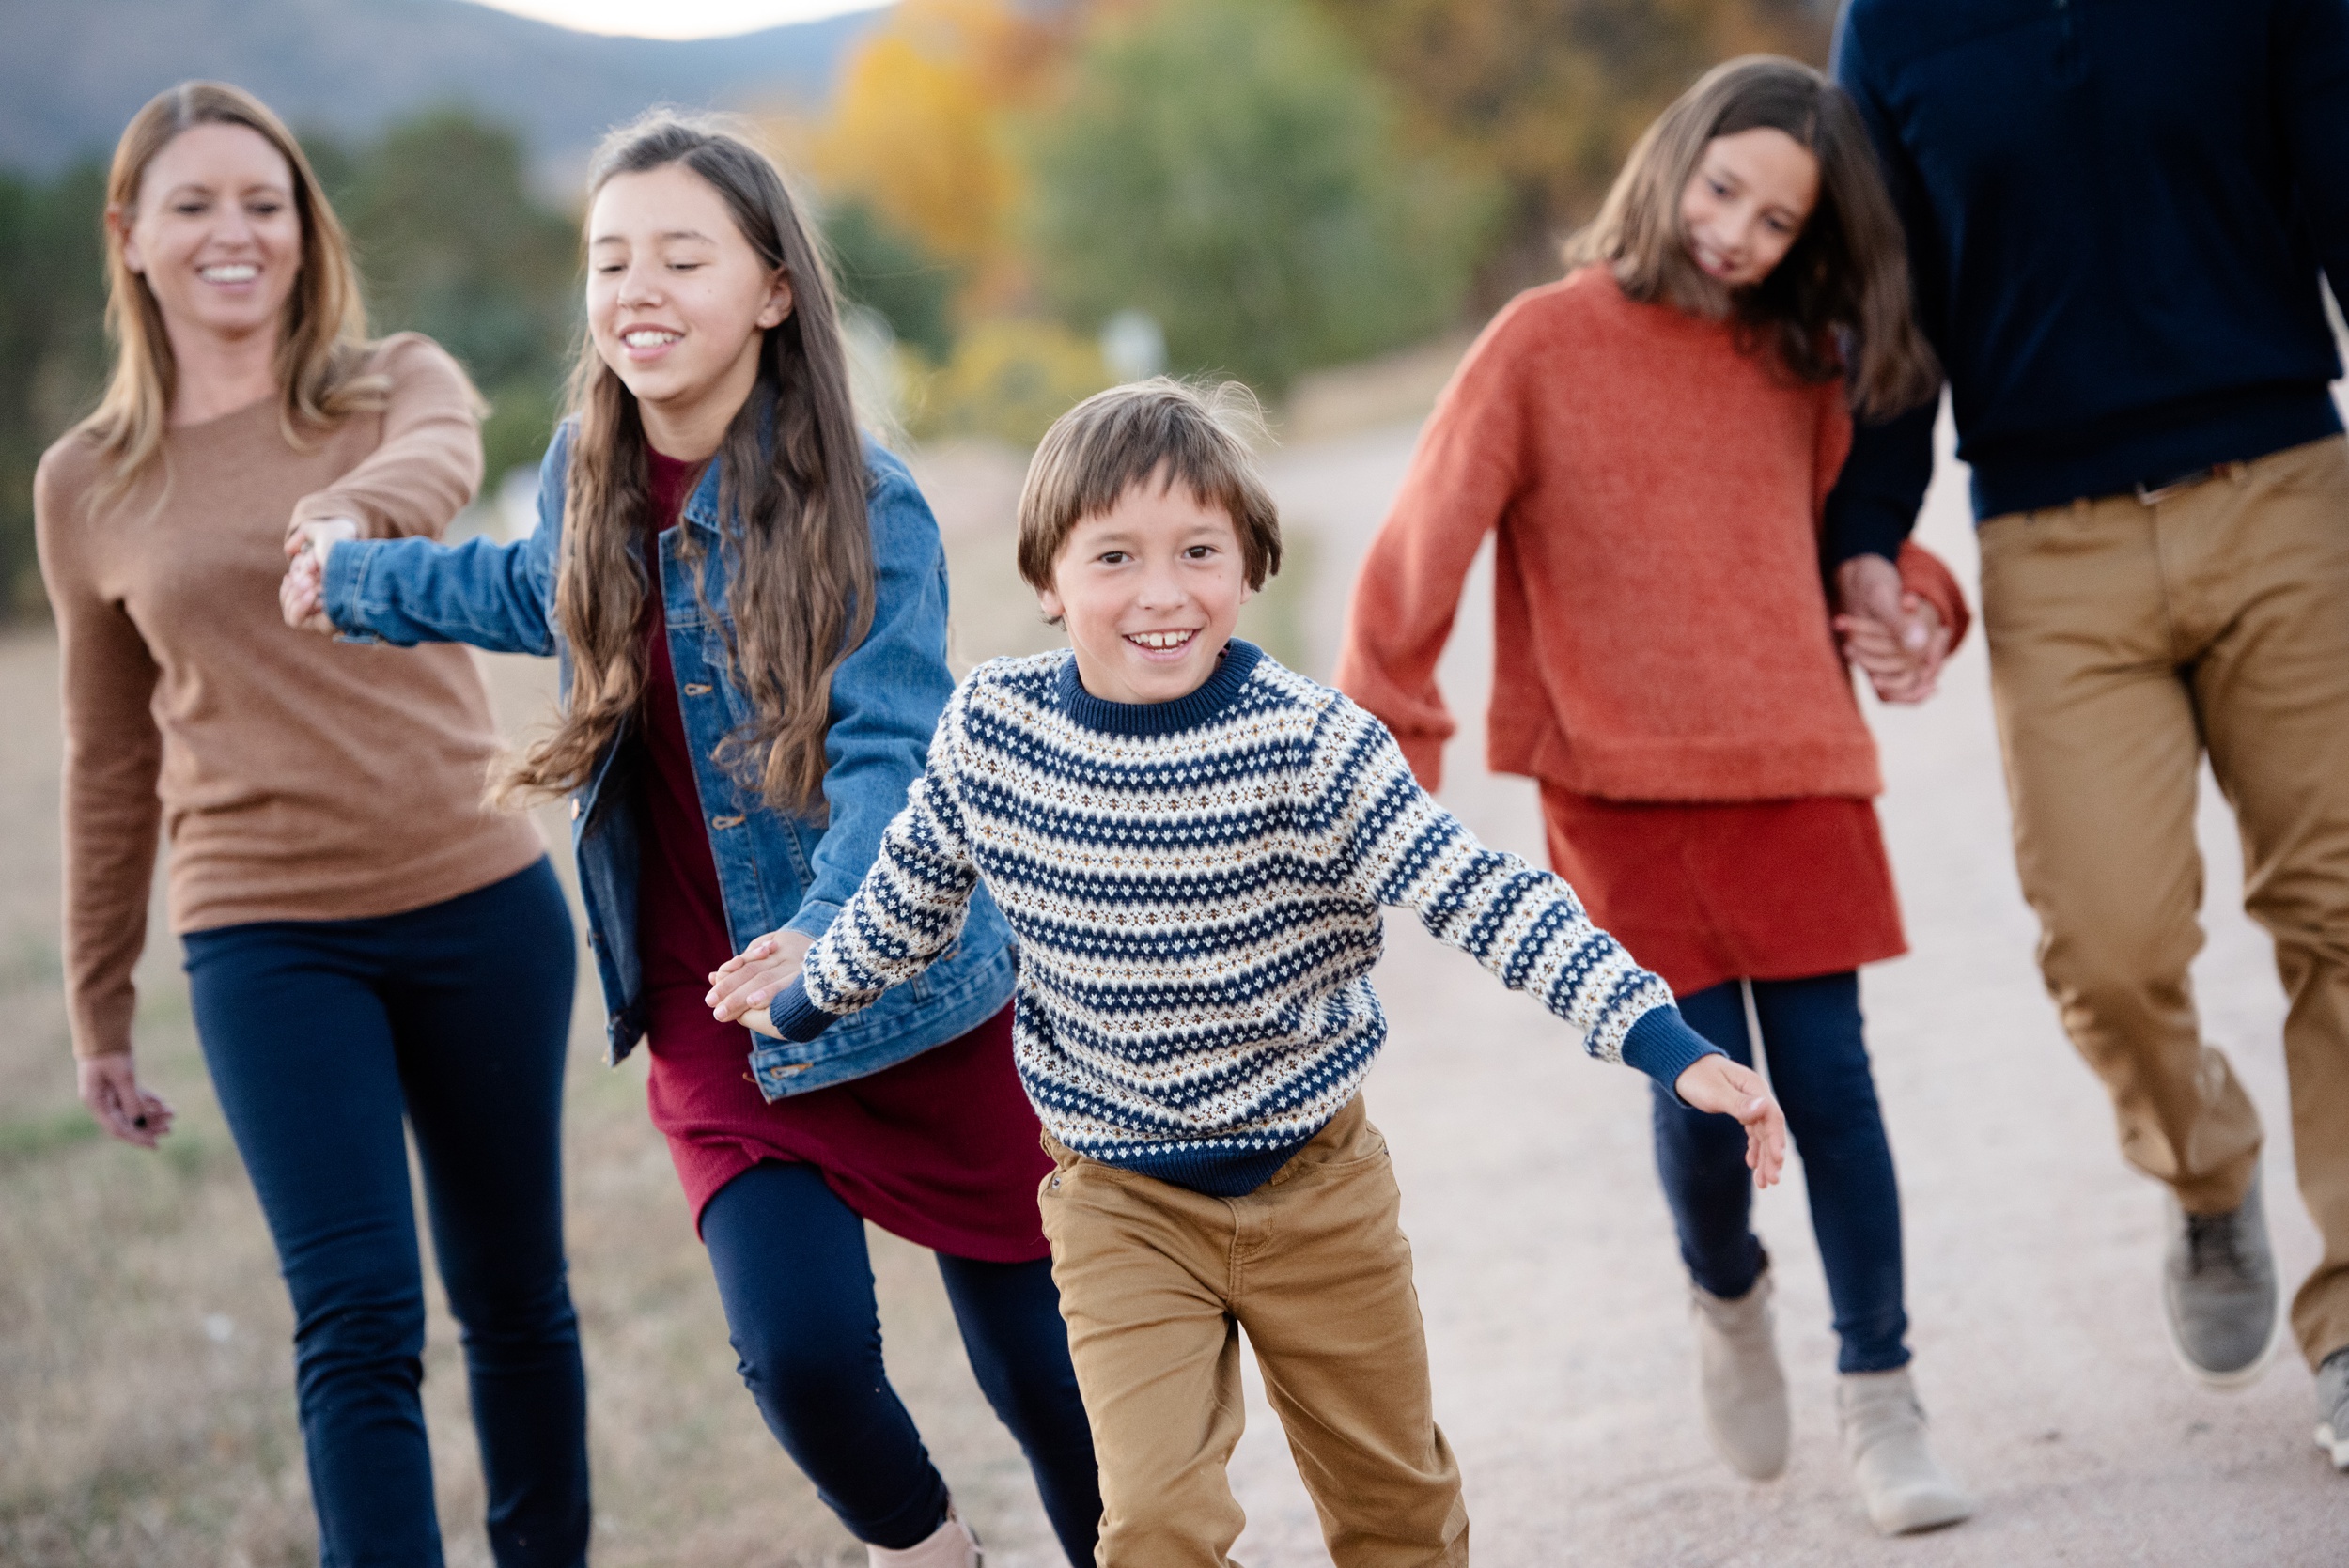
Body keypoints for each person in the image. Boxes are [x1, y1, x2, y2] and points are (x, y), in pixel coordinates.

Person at [717, 376, 1790, 1566]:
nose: (1161, 592)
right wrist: (807, 997)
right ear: (1046, 580)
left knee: (1395, 1514)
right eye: (1114, 555)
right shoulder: (994, 732)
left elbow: (1489, 896)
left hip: (1315, 1185)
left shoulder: (1312, 749)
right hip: (1120, 1199)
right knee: (1156, 1527)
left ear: (1249, 565)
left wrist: (1665, 1043)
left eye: (1198, 550)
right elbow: (910, 894)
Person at [280, 114, 1099, 1568]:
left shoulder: (874, 502)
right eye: (609, 259)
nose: (635, 287)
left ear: (774, 288)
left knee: (1052, 1374)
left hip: (910, 987)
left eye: (680, 255)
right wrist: (360, 580)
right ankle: (936, 1553)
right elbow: (523, 587)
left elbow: (888, 755)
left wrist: (833, 941)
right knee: (801, 1359)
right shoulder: (586, 471)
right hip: (710, 1014)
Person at [1331, 56, 1972, 1536]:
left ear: (1813, 236)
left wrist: (1919, 594)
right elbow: (1414, 561)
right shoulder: (1542, 343)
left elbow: (1850, 540)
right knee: (1695, 1099)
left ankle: (1883, 1394)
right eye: (1723, 187)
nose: (1738, 230)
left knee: (1836, 1088)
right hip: (1618, 783)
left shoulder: (1805, 360)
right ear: (1671, 162)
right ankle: (1726, 1287)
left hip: (1795, 765)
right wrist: (1385, 766)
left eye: (1777, 216)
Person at [34, 82, 588, 1567]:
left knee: (515, 1295)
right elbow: (104, 755)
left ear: (304, 230)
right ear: (130, 237)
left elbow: (447, 459)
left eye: (264, 203)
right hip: (264, 929)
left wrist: (345, 515)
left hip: (474, 896)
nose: (236, 232)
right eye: (196, 204)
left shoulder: (390, 380)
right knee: (356, 1315)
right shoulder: (89, 482)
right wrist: (99, 997)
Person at [1825, 0, 2349, 1470]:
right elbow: (1888, 299)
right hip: (2052, 543)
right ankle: (2204, 1168)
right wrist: (1866, 532)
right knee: (2108, 946)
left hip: (2288, 493)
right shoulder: (1895, 31)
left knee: (2342, 913)